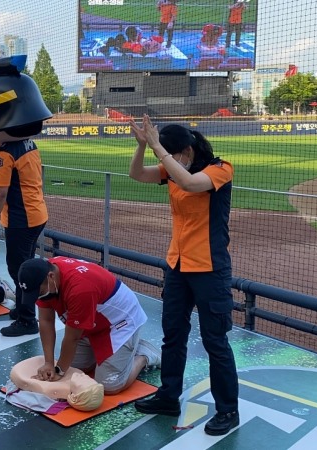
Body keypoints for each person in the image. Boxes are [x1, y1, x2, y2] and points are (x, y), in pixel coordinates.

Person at [128, 116, 239, 436]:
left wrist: (158, 148)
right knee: (173, 335)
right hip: (177, 266)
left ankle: (228, 410)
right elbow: (136, 174)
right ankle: (168, 396)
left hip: (210, 269)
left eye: (176, 154)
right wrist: (141, 148)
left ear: (188, 150)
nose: (172, 160)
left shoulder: (219, 169)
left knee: (214, 340)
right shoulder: (173, 168)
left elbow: (191, 184)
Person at [0, 56, 50, 337]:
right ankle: (24, 309)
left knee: (20, 270)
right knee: (25, 265)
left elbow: (0, 191)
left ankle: (27, 320)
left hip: (20, 218)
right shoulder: (27, 143)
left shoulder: (4, 155)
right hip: (36, 213)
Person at [17, 257, 161, 395]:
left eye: (39, 292)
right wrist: (49, 362)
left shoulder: (80, 289)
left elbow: (72, 338)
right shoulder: (45, 276)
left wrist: (59, 370)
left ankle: (144, 354)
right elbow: (46, 321)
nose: (38, 297)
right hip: (90, 322)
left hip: (119, 323)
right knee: (76, 370)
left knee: (109, 385)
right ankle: (108, 352)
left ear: (50, 277)